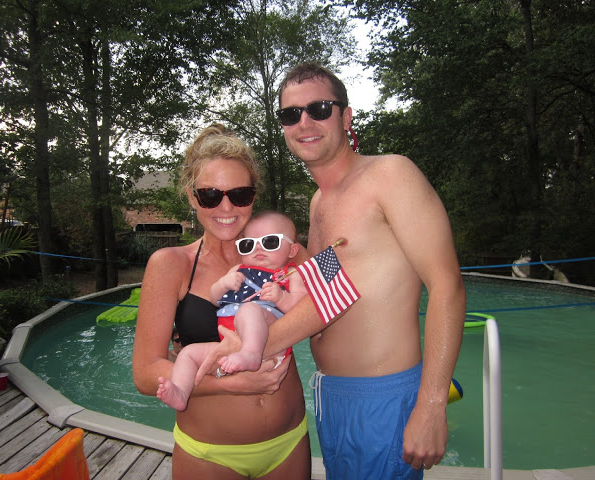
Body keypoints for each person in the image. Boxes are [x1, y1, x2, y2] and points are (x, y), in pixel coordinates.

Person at [198, 63, 467, 479]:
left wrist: (432, 404)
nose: (304, 122)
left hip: (381, 394)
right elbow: (331, 291)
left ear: (346, 116)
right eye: (291, 114)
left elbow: (447, 286)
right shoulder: (319, 203)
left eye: (319, 109)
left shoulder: (390, 174)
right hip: (331, 395)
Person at [132, 124, 311, 480]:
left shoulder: (285, 251)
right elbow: (145, 373)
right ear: (191, 197)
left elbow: (331, 307)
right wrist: (226, 381)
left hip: (290, 440)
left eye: (240, 194)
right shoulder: (170, 264)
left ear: (253, 196)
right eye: (210, 195)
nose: (226, 207)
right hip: (210, 454)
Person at [157, 210, 306, 412]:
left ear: (292, 250)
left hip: (268, 339)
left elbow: (301, 311)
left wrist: (281, 298)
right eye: (248, 244)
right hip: (229, 343)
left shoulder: (291, 274)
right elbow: (214, 299)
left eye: (270, 242)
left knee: (249, 309)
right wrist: (223, 284)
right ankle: (181, 392)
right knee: (188, 354)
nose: (258, 249)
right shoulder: (237, 270)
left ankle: (250, 353)